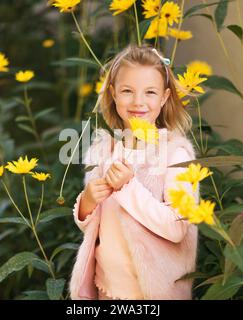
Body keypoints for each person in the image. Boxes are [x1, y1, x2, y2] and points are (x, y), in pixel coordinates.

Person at [69, 44, 199, 300]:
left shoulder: (175, 154)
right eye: (127, 91)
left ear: (164, 98)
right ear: (113, 94)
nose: (138, 101)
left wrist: (129, 187)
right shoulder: (103, 150)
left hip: (150, 293)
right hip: (106, 287)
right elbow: (95, 228)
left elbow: (177, 229)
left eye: (150, 92)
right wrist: (86, 203)